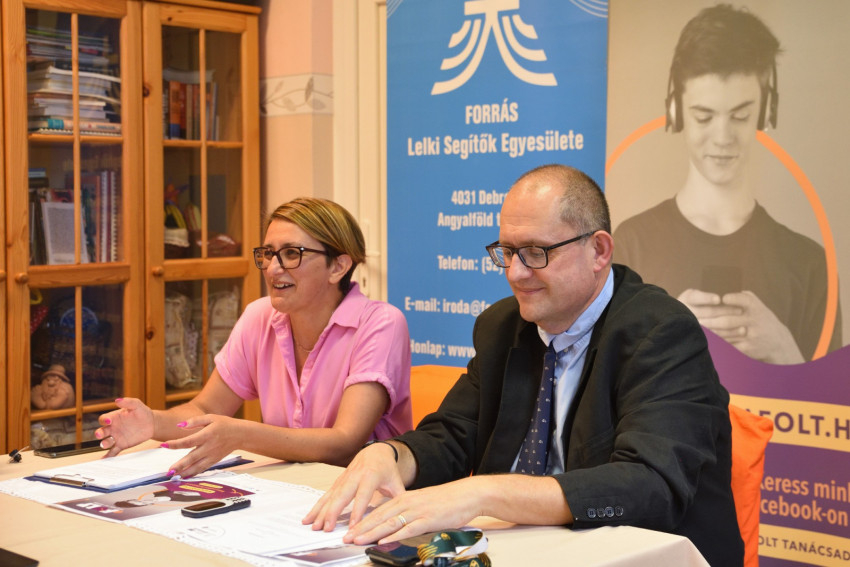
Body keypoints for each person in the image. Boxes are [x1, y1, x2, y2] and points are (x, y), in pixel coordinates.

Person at [304, 164, 743, 567]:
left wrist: (483, 493)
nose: (514, 273)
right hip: (522, 549)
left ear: (598, 250)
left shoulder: (661, 332)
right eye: (507, 252)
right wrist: (390, 455)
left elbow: (649, 484)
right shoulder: (502, 326)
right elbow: (452, 435)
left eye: (535, 252)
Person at [95, 197, 413, 478]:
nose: (272, 269)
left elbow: (345, 443)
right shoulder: (259, 316)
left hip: (364, 494)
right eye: (268, 254)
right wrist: (153, 422)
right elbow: (205, 408)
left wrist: (242, 434)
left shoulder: (381, 323)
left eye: (292, 253)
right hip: (288, 488)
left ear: (338, 267)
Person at [613, 3, 841, 364]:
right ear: (675, 112)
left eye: (740, 115)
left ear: (766, 112)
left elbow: (828, 399)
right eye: (704, 117)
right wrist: (664, 334)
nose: (723, 137)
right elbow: (605, 387)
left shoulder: (810, 265)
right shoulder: (631, 245)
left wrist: (784, 351)